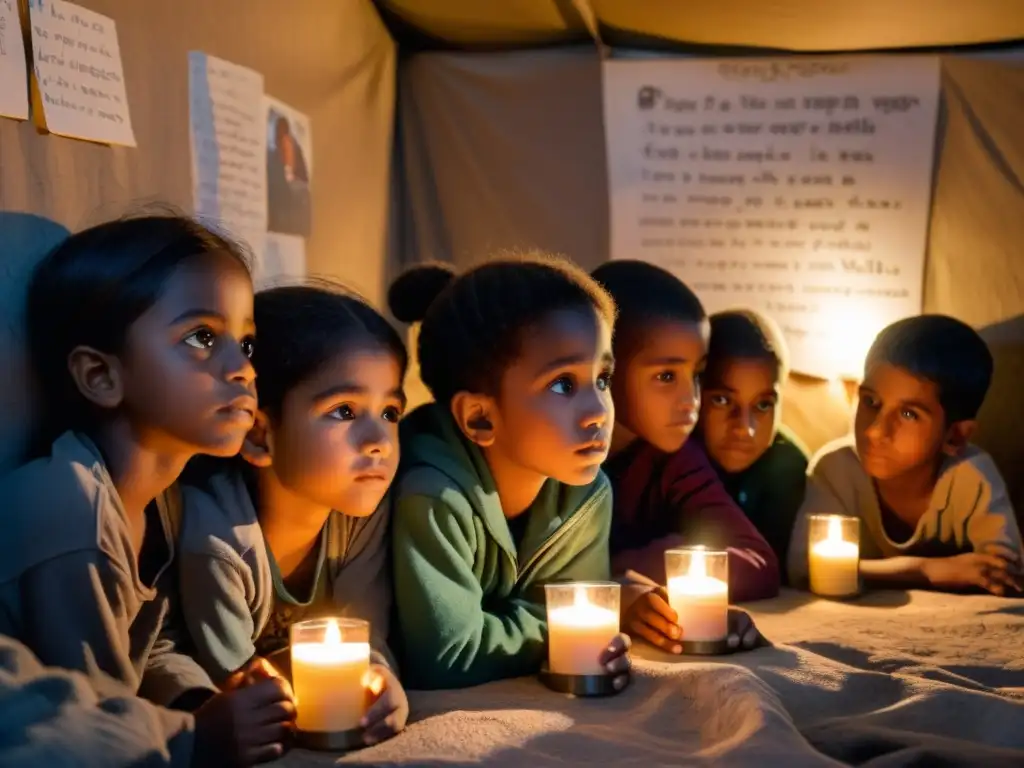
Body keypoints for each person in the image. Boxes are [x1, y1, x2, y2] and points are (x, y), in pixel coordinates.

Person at [0, 214, 294, 764]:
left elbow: (150, 647)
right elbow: (96, 724)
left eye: (246, 343)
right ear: (101, 376)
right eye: (202, 337)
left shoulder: (164, 500)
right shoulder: (70, 509)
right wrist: (197, 738)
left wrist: (203, 702)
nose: (243, 370)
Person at [386, 256, 631, 690]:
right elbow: (448, 656)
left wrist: (543, 629)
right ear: (480, 417)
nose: (598, 412)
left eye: (603, 379)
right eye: (562, 385)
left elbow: (579, 611)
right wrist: (559, 634)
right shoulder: (431, 496)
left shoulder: (586, 493)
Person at [179, 283, 408, 745]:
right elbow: (242, 687)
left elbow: (367, 638)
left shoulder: (361, 514)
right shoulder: (217, 539)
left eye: (389, 411)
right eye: (345, 411)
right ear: (260, 434)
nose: (378, 440)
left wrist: (381, 683)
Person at [590, 260, 779, 655]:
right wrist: (617, 584)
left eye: (697, 375)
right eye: (665, 377)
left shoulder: (675, 457)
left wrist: (658, 575)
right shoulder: (555, 453)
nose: (690, 400)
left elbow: (759, 562)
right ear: (605, 369)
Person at [789, 314, 1024, 595]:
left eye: (909, 414)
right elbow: (803, 570)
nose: (875, 431)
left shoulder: (971, 478)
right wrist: (930, 570)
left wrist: (860, 572)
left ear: (955, 436)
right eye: (871, 402)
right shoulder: (836, 469)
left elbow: (1005, 574)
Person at [698, 309, 809, 572]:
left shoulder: (790, 466)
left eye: (762, 405)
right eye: (722, 401)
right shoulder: (674, 459)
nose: (744, 429)